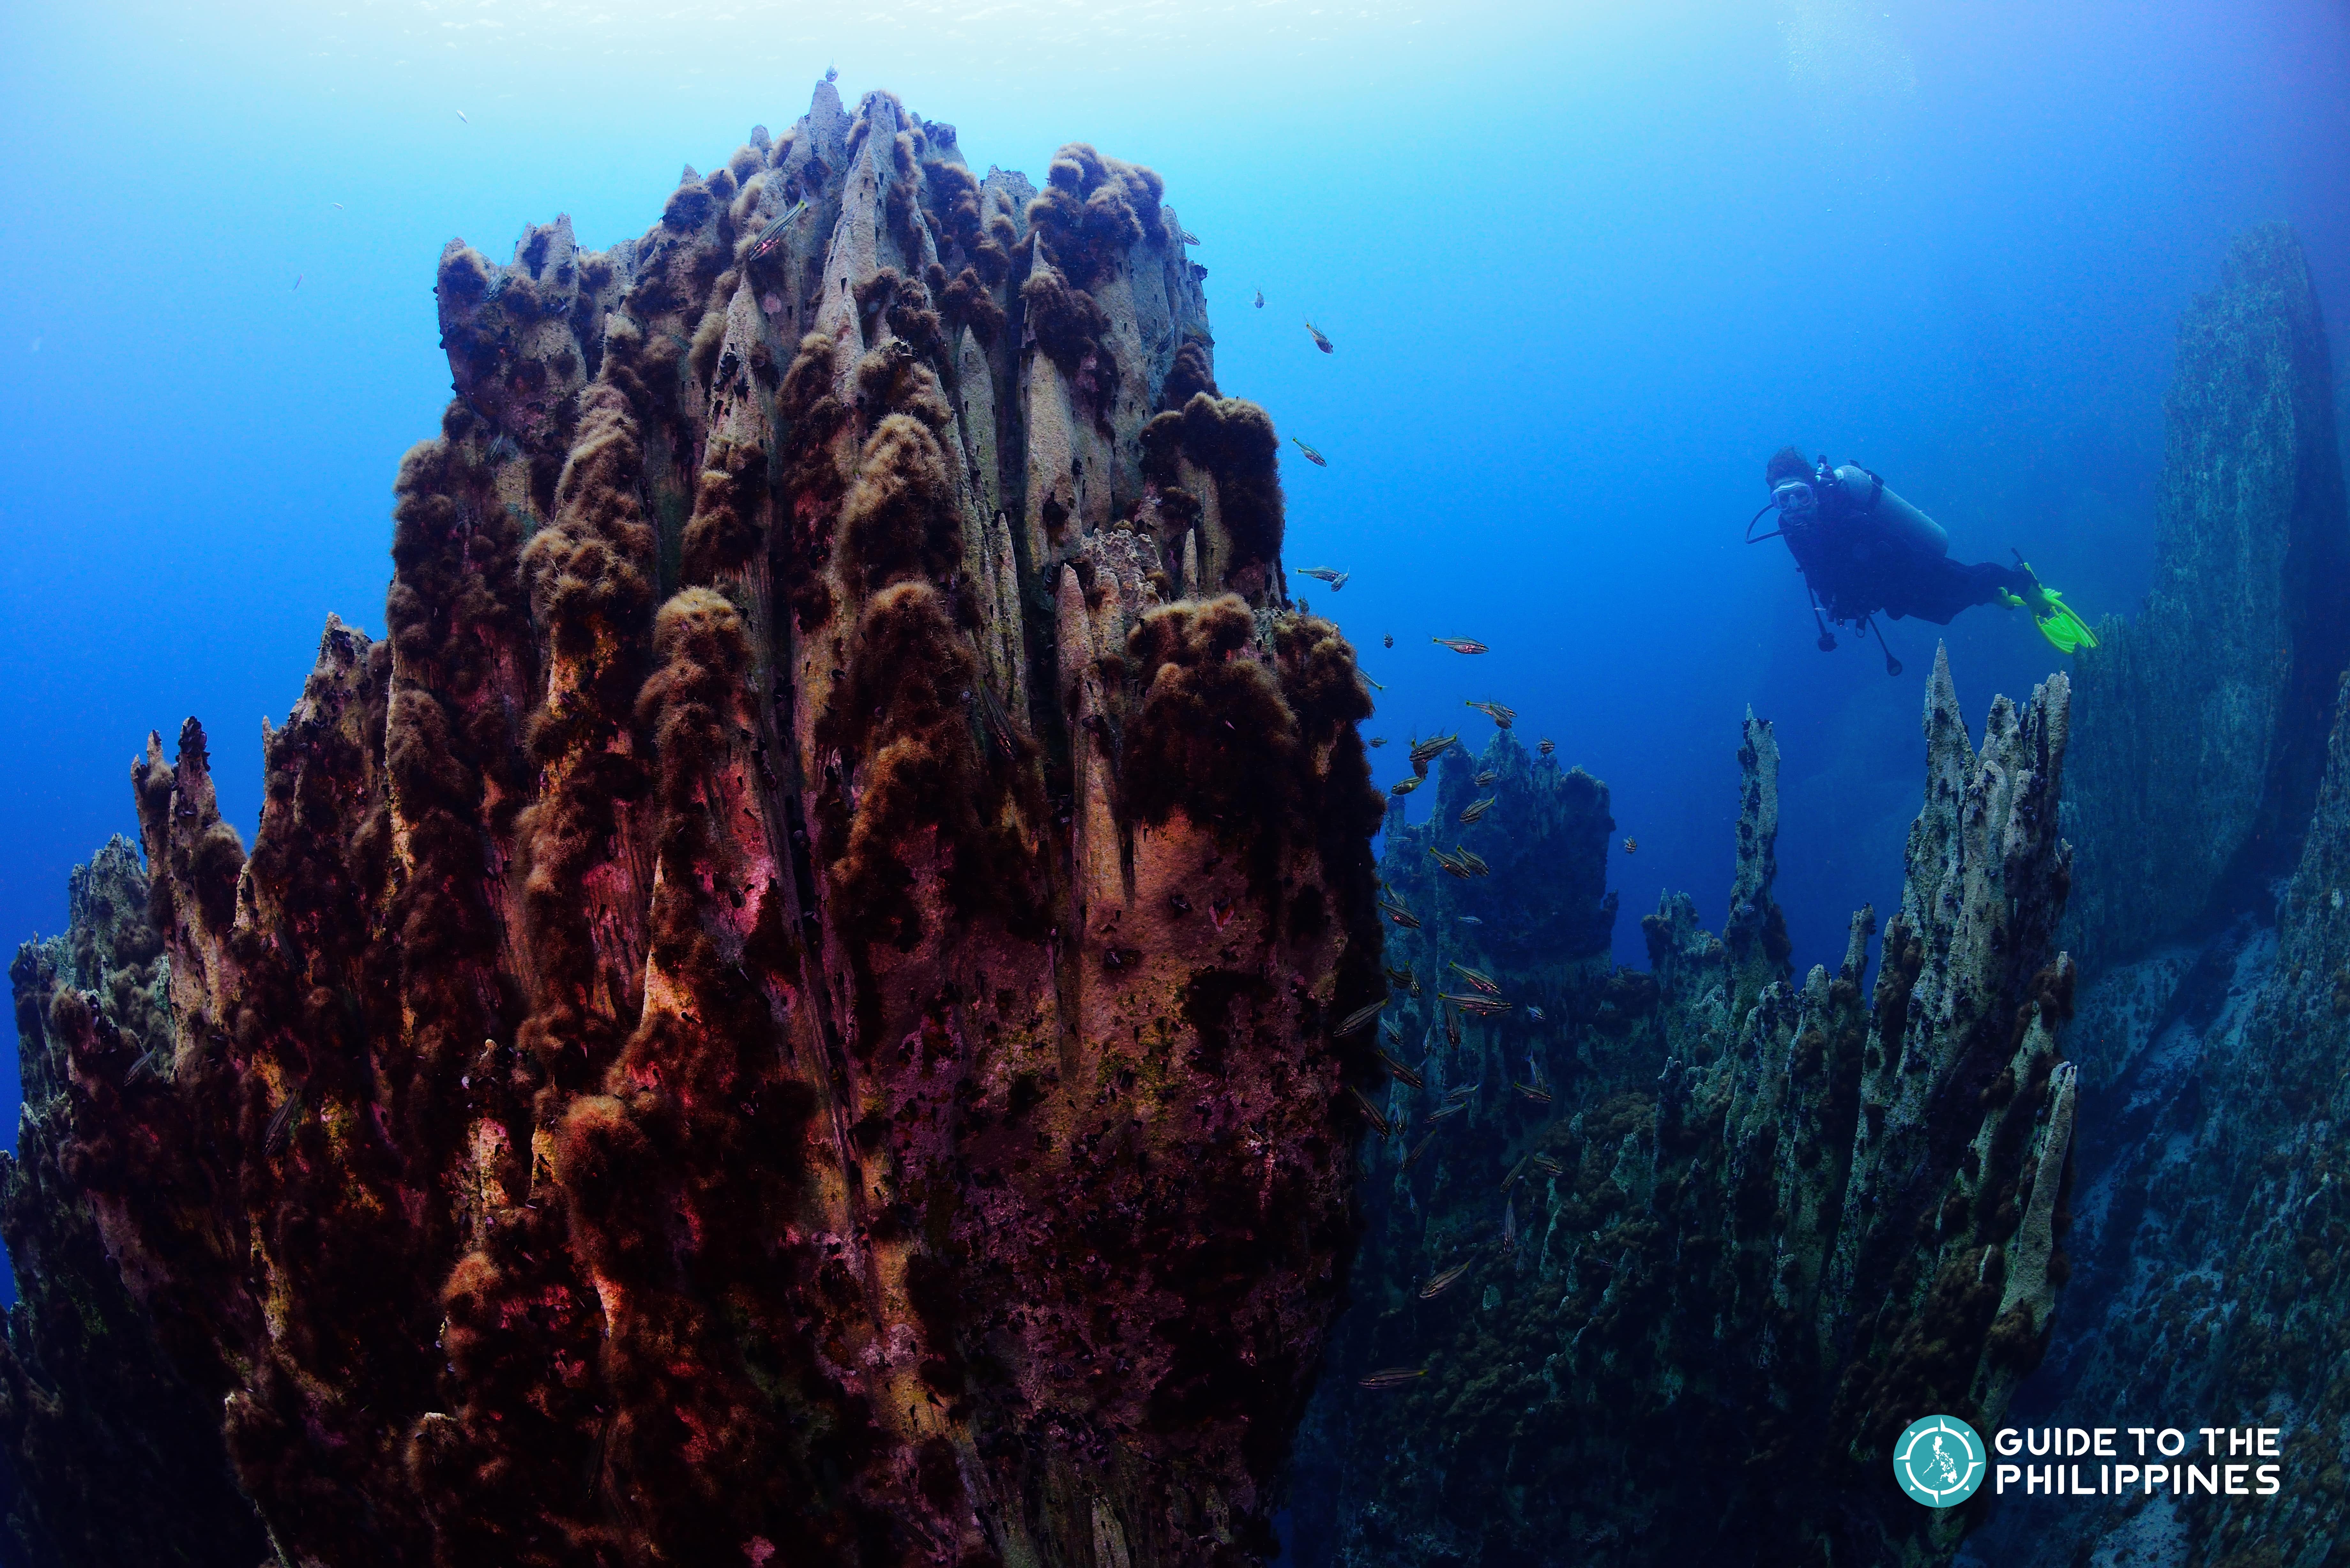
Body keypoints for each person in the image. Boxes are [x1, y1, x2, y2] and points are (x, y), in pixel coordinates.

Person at [1747, 447, 2094, 672]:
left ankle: (2026, 585)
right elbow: (1817, 574)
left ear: (1814, 492)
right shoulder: (1790, 529)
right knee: (1946, 612)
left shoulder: (1849, 520)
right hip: (1889, 593)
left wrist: (1880, 588)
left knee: (1967, 585)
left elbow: (1901, 554)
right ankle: (1994, 596)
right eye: (1783, 500)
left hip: (1911, 572)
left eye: (1800, 497)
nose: (1793, 509)